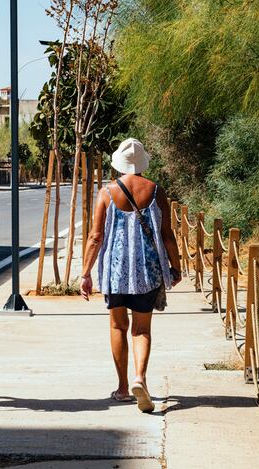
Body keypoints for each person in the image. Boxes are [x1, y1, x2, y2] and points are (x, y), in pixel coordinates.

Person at [80, 138, 182, 413]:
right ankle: (140, 378)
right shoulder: (156, 191)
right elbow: (167, 234)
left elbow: (95, 236)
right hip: (148, 272)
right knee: (141, 329)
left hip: (115, 272)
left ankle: (123, 387)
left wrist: (86, 273)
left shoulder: (106, 193)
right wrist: (176, 266)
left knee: (117, 327)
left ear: (119, 163)